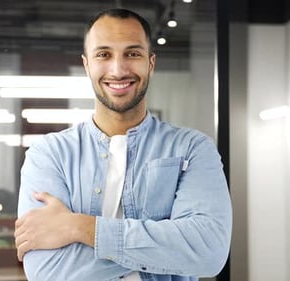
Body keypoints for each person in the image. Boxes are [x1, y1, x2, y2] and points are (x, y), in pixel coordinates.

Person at [14, 8, 232, 281]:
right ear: (87, 65)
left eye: (132, 53)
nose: (118, 69)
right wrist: (167, 248)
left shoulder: (192, 148)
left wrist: (80, 228)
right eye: (103, 54)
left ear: (150, 63)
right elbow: (47, 271)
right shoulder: (48, 154)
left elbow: (208, 252)